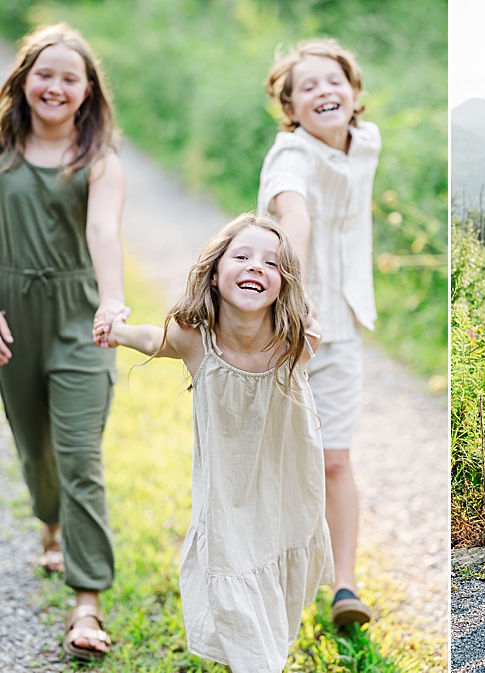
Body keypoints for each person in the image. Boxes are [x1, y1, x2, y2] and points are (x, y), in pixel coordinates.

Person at [94, 213, 332, 672]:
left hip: (285, 489)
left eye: (272, 263)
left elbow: (309, 313)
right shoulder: (196, 340)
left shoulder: (297, 340)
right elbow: (151, 338)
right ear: (215, 272)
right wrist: (115, 329)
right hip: (227, 496)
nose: (256, 267)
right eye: (241, 256)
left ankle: (266, 654)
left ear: (285, 284)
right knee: (236, 576)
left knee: (278, 589)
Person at [0, 23, 127, 660]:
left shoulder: (98, 159)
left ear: (86, 91)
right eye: (44, 73)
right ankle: (49, 528)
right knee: (36, 456)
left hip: (80, 317)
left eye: (69, 77)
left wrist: (112, 298)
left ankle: (87, 604)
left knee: (80, 458)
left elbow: (104, 230)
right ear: (24, 80)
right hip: (13, 315)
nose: (55, 86)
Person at [257, 38, 380, 626]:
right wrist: (297, 302)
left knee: (334, 459)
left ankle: (345, 587)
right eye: (306, 87)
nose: (322, 92)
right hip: (283, 329)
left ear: (354, 93)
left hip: (345, 325)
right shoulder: (289, 156)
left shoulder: (367, 142)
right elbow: (294, 216)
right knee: (278, 460)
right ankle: (272, 582)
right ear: (291, 109)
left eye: (332, 80)